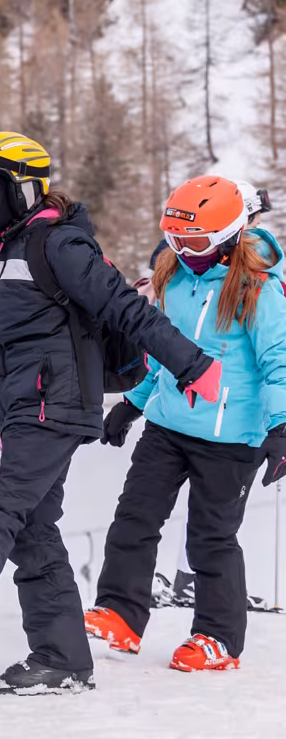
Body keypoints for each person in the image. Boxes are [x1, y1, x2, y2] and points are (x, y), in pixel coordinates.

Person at [0, 131, 222, 695]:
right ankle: (62, 657)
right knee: (32, 530)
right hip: (19, 408)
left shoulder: (60, 244)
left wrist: (192, 365)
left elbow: (127, 309)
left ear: (20, 189)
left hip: (54, 405)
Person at [86, 176, 286, 671]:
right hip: (168, 425)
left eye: (194, 243)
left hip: (231, 437)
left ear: (228, 235)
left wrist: (281, 426)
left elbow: (279, 362)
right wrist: (133, 403)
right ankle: (120, 612)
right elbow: (163, 355)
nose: (182, 251)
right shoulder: (174, 276)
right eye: (175, 240)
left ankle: (218, 639)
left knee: (210, 538)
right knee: (134, 516)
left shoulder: (259, 288)